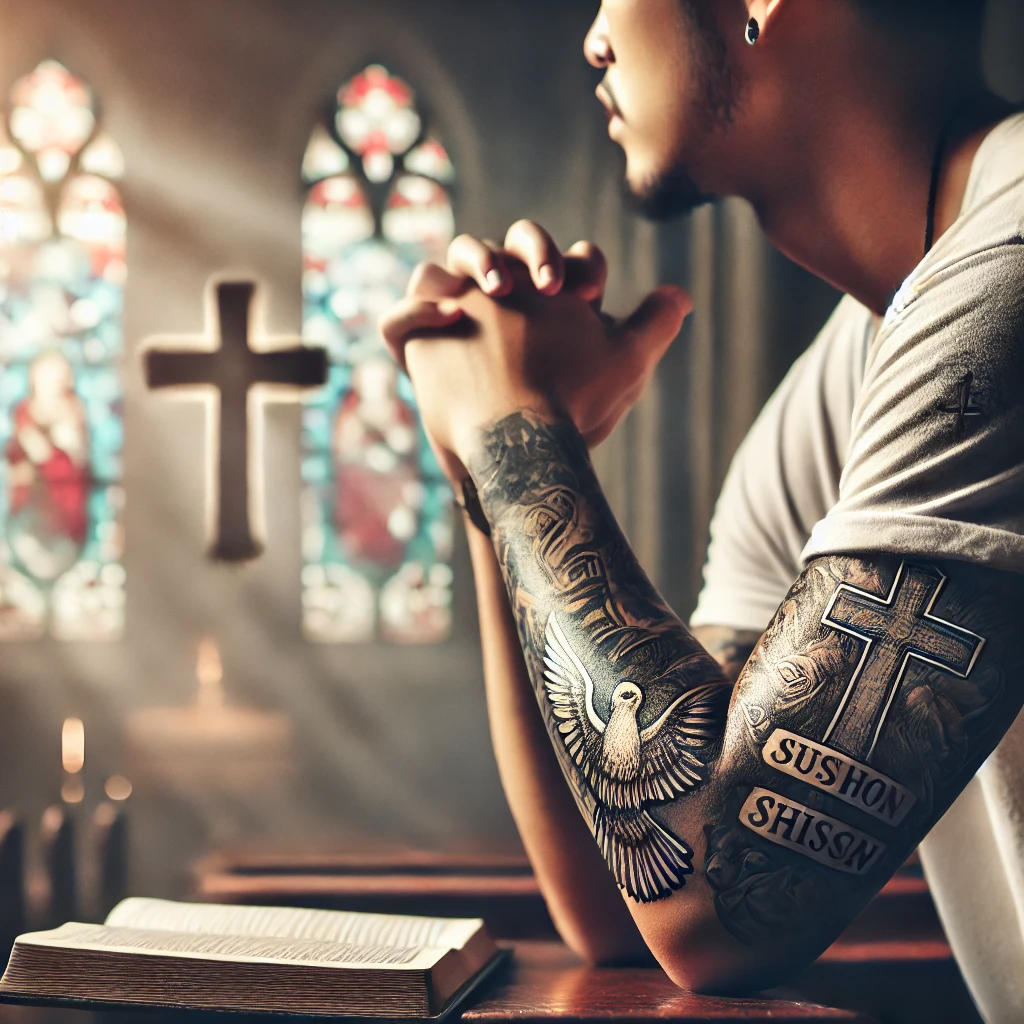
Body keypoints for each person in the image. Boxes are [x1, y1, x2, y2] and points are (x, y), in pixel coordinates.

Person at [380, 0, 1024, 1010]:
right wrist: (493, 474)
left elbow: (716, 912)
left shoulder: (1011, 268)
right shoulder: (857, 369)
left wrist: (511, 433)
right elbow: (626, 892)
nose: (593, 37)